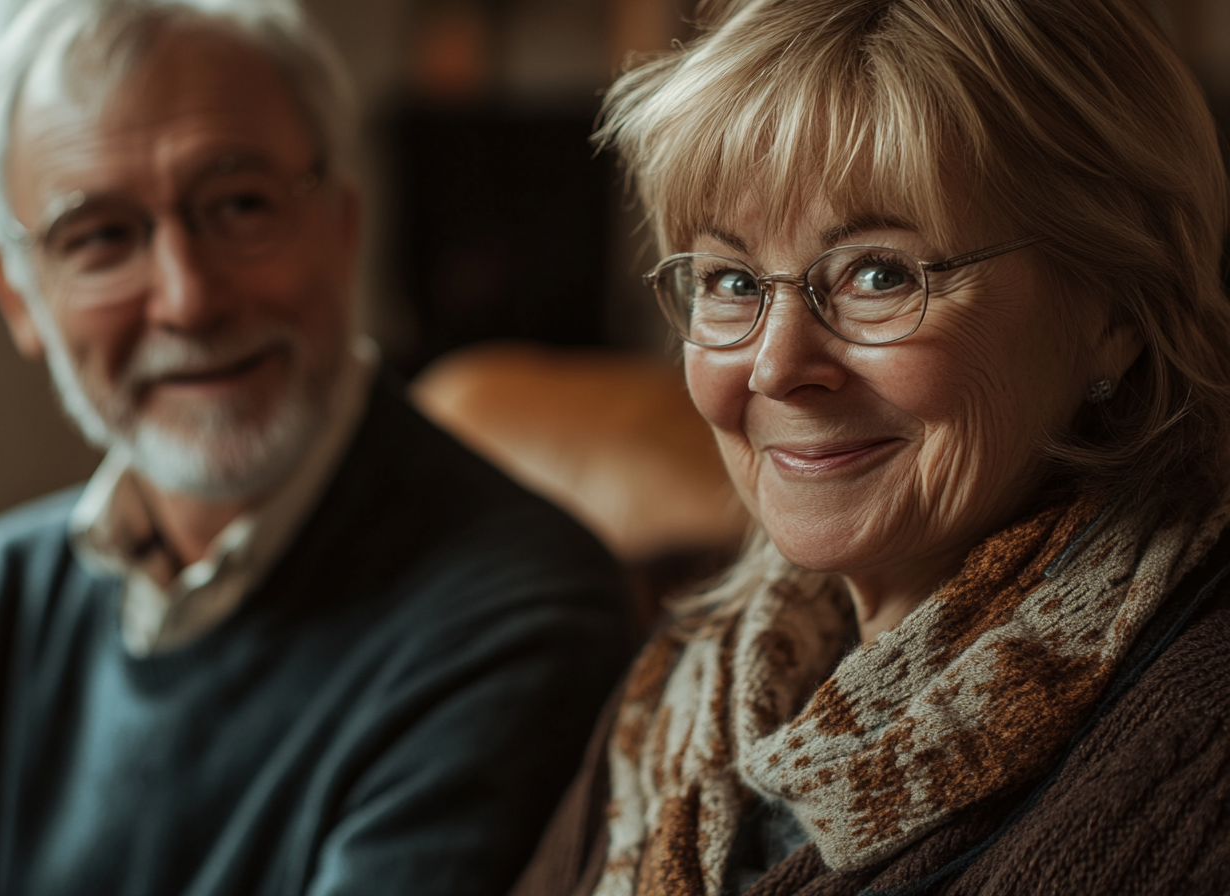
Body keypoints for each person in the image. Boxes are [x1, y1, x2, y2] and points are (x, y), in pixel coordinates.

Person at [0, 1, 631, 894]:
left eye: (239, 205)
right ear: (17, 294)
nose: (188, 298)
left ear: (344, 224)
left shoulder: (522, 624)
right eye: (102, 237)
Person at [510, 1, 1230, 894]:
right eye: (731, 280)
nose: (775, 367)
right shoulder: (690, 676)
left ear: (1117, 306)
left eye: (879, 273)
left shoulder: (1196, 748)